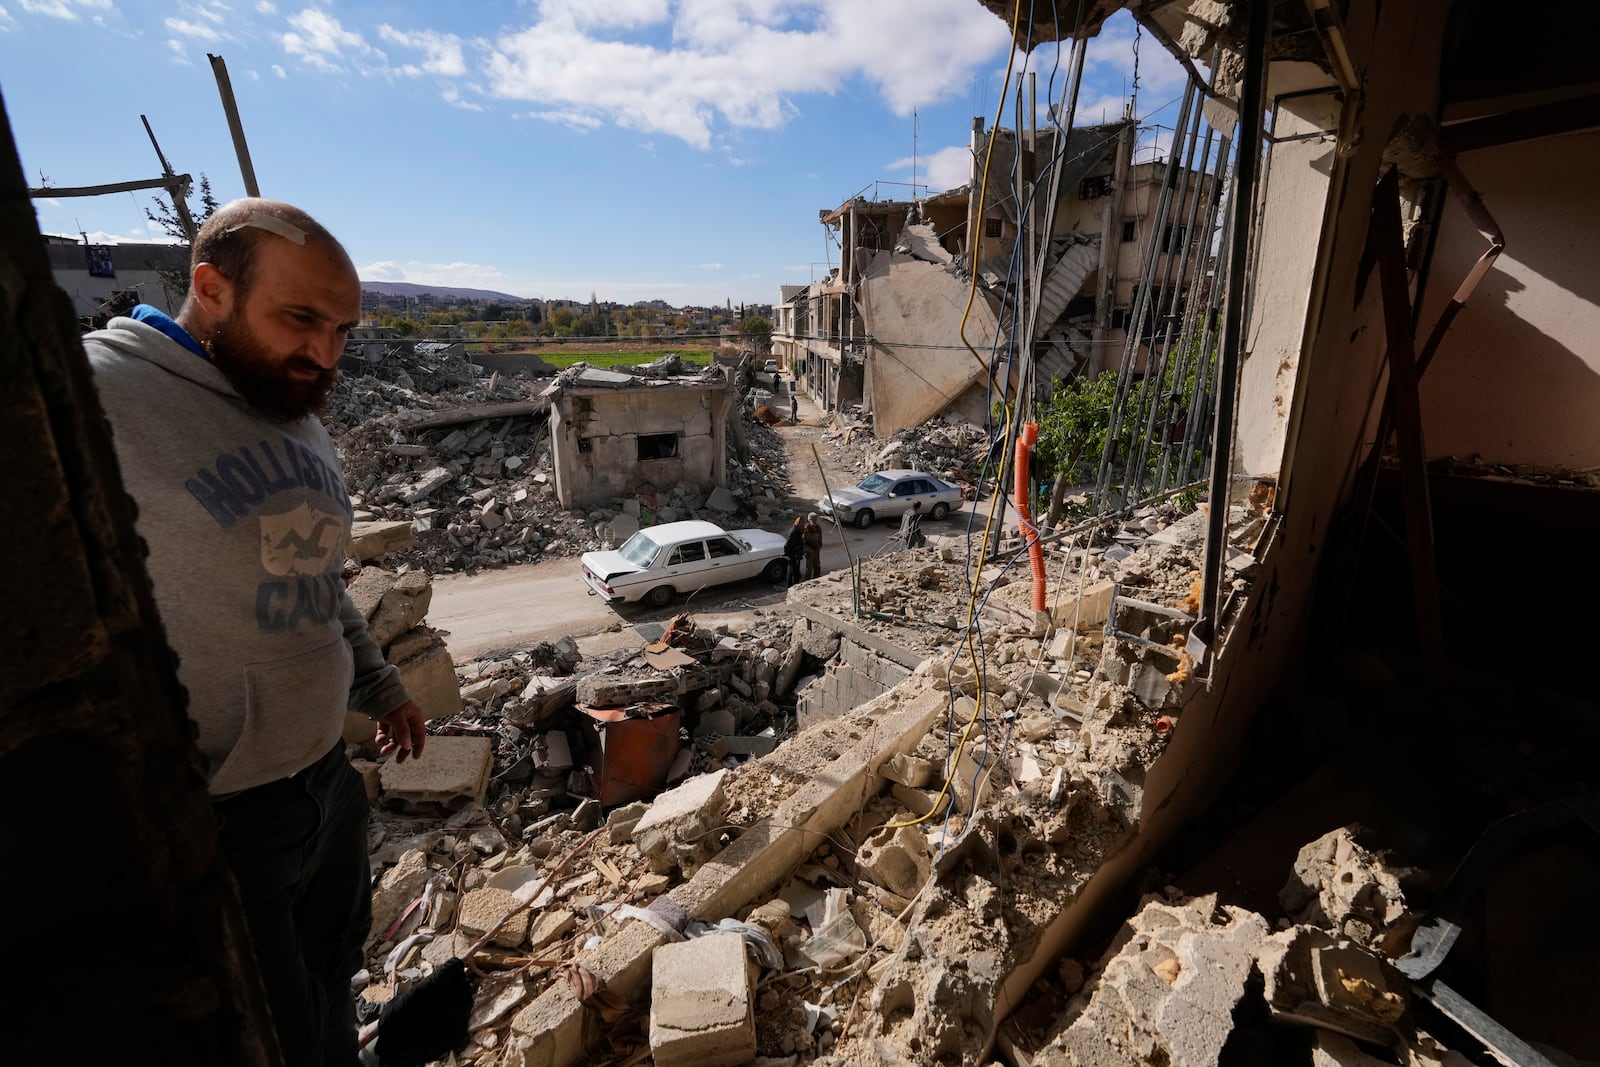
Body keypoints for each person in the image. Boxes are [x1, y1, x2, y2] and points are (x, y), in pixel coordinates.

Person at [82, 198, 426, 1067]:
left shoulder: (293, 413)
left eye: (343, 329)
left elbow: (315, 578)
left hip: (326, 786)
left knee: (333, 983)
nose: (326, 353)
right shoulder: (102, 393)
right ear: (212, 288)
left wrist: (379, 684)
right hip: (224, 821)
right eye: (301, 319)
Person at [783, 515, 806, 585]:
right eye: (801, 523)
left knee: (794, 571)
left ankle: (794, 584)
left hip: (796, 555)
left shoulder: (797, 530)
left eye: (803, 523)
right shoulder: (794, 532)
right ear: (798, 523)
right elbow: (787, 545)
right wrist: (787, 553)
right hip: (793, 555)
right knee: (793, 572)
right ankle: (792, 586)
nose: (803, 525)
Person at [803, 512, 824, 580]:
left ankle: (817, 579)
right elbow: (803, 543)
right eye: (812, 520)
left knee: (817, 566)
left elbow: (820, 538)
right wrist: (809, 550)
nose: (814, 522)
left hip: (816, 550)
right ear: (809, 520)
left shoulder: (818, 527)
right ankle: (807, 581)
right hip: (809, 552)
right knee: (809, 568)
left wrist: (820, 545)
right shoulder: (806, 529)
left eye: (815, 520)